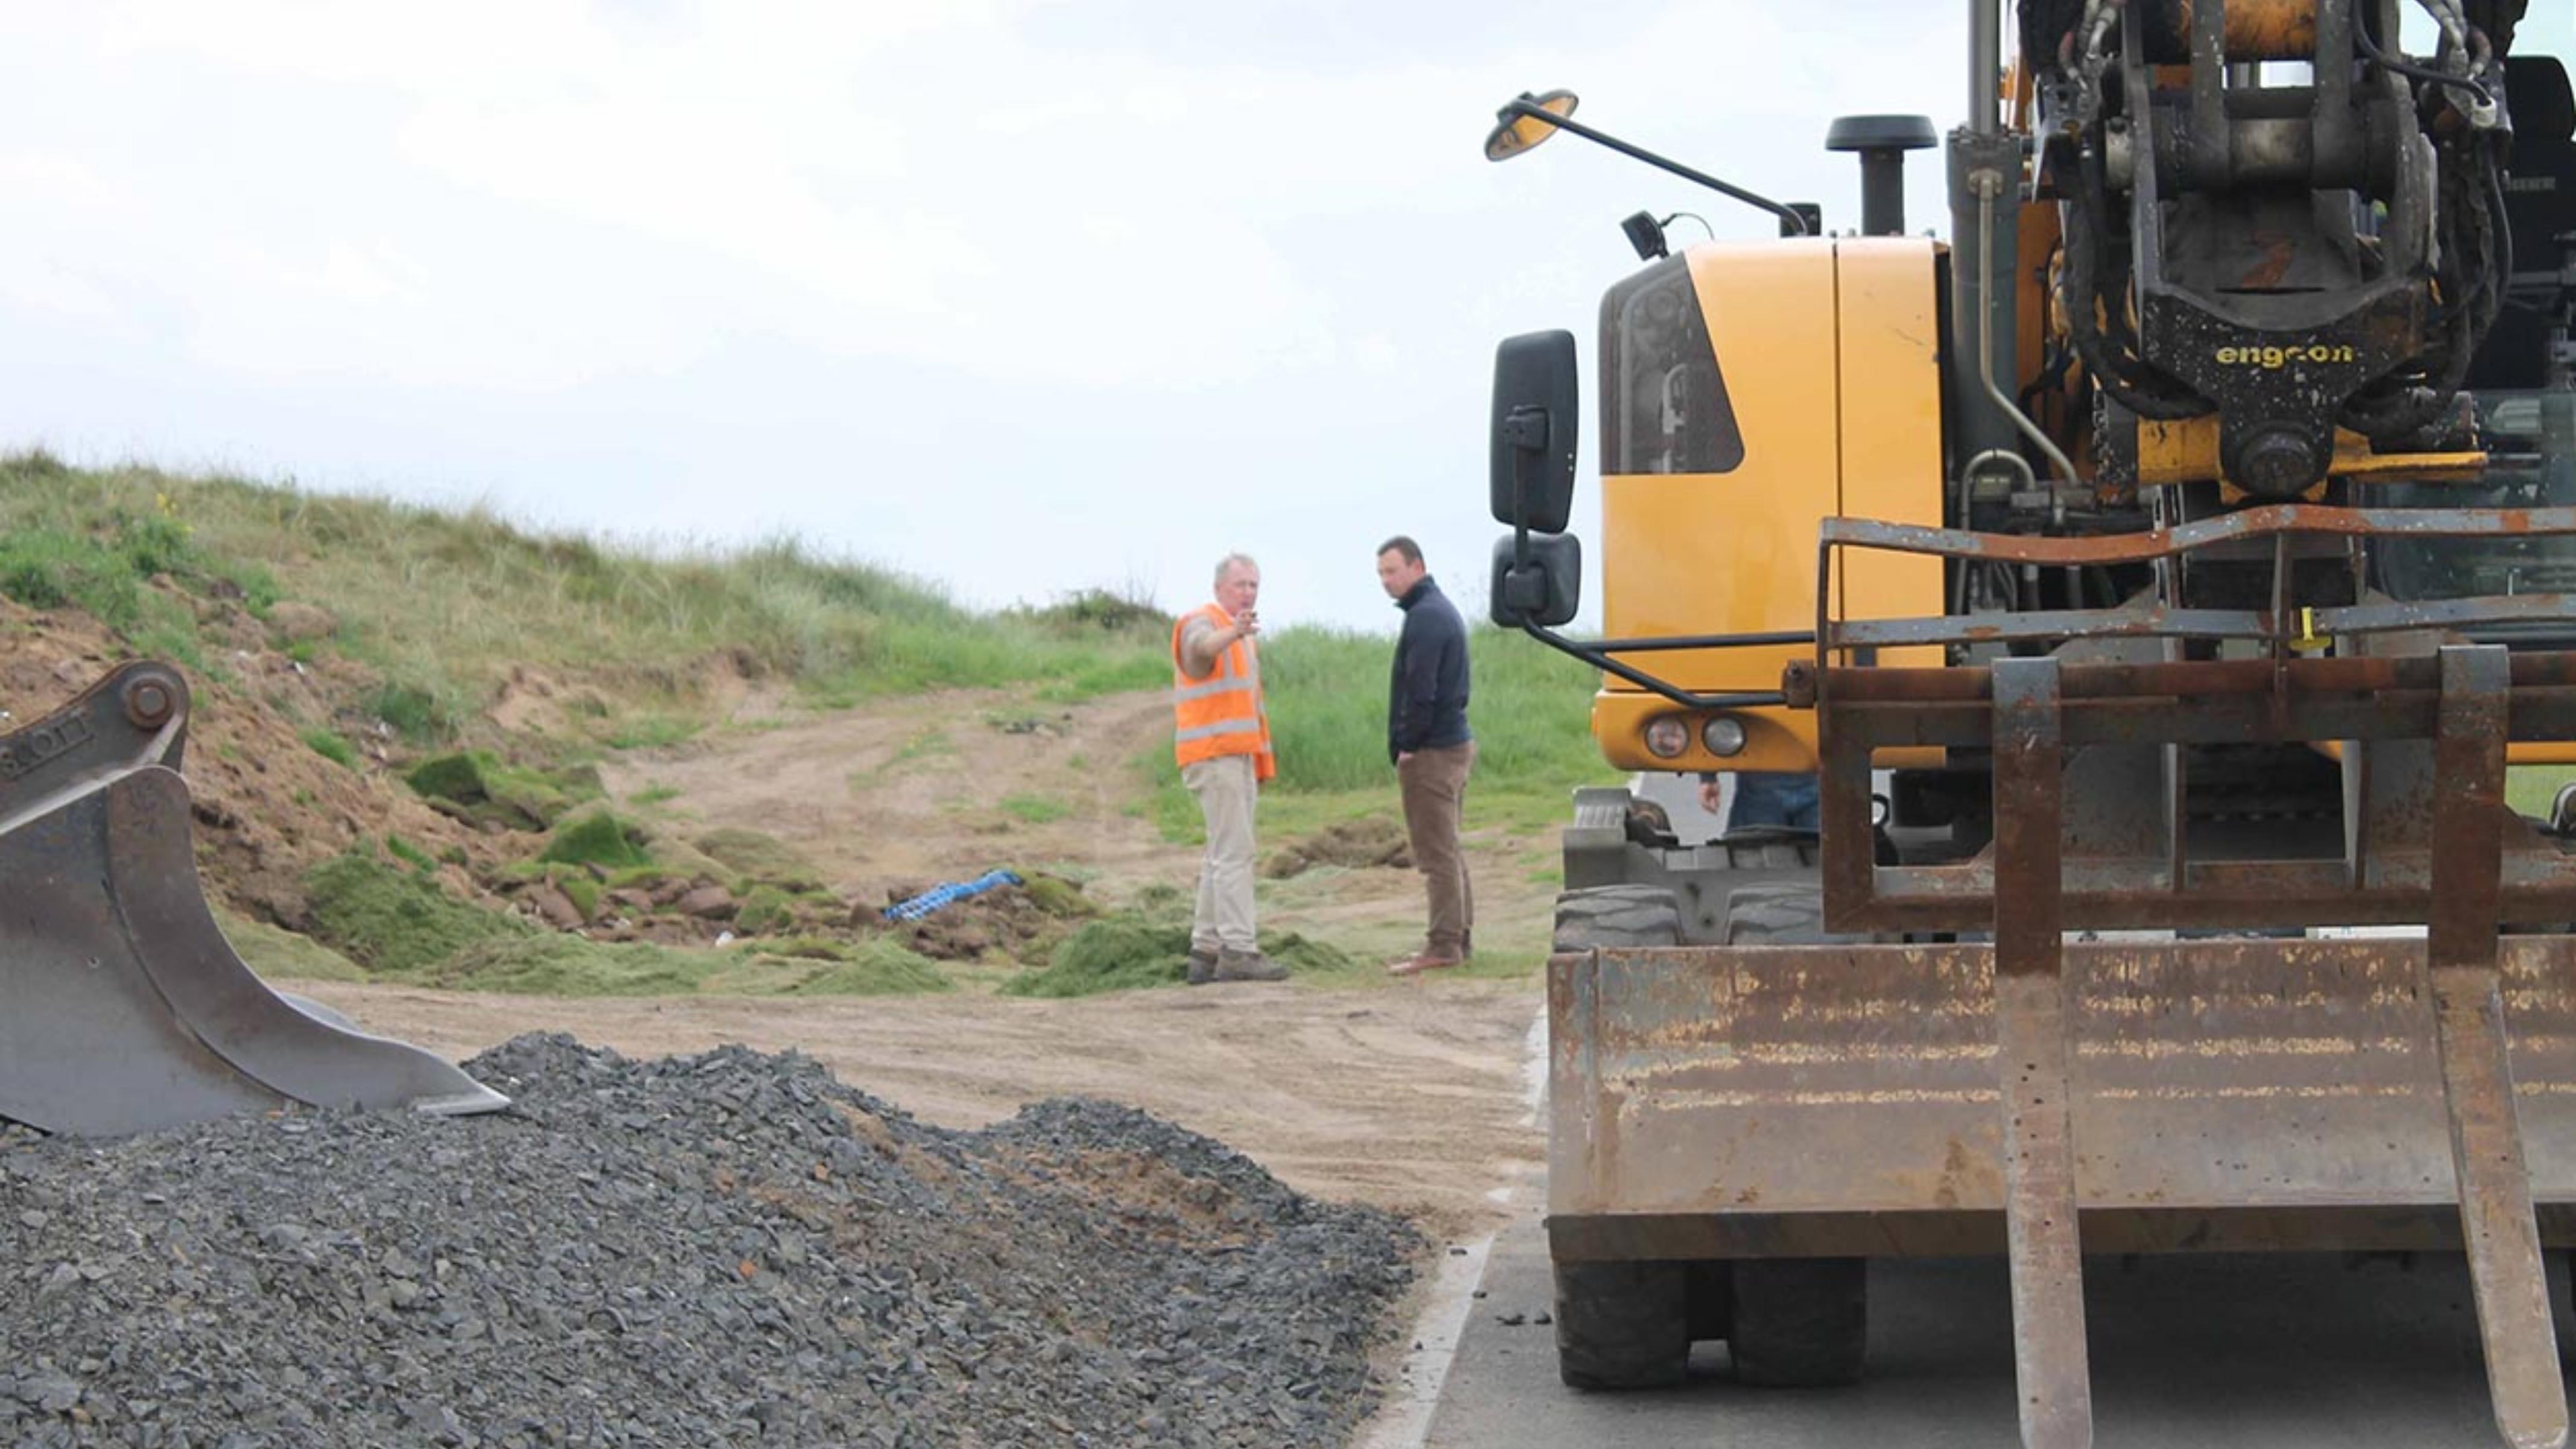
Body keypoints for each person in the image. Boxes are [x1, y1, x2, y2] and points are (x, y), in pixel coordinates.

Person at [1173, 554, 1286, 984]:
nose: (1249, 592)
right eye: (1241, 584)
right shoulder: (1203, 621)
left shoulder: (1241, 636)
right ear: (1220, 586)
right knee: (1234, 854)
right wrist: (1232, 632)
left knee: (1220, 853)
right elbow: (1198, 652)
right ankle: (1239, 948)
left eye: (1255, 584)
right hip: (1214, 755)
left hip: (1234, 756)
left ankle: (1206, 949)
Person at [1376, 536, 1476, 976]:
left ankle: (1444, 944)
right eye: (1381, 573)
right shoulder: (1434, 611)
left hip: (1434, 749)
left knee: (1436, 853)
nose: (1386, 581)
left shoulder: (1427, 618)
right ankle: (1459, 935)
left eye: (1392, 571)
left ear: (1417, 566)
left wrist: (1408, 745)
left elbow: (1422, 691)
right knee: (1449, 848)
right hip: (1450, 742)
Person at [1697, 771, 1821, 830]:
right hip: (1821, 782)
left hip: (1759, 787)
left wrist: (1708, 777)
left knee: (1753, 863)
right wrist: (1708, 776)